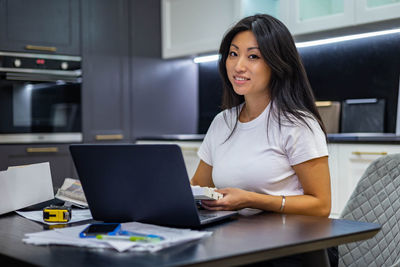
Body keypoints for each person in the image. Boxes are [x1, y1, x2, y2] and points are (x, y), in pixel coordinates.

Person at [191, 14, 331, 217]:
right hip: (235, 238)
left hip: (285, 242)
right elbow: (198, 186)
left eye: (253, 56)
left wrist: (251, 199)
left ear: (277, 64)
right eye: (233, 54)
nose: (238, 66)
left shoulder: (297, 125)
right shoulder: (222, 122)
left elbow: (321, 206)